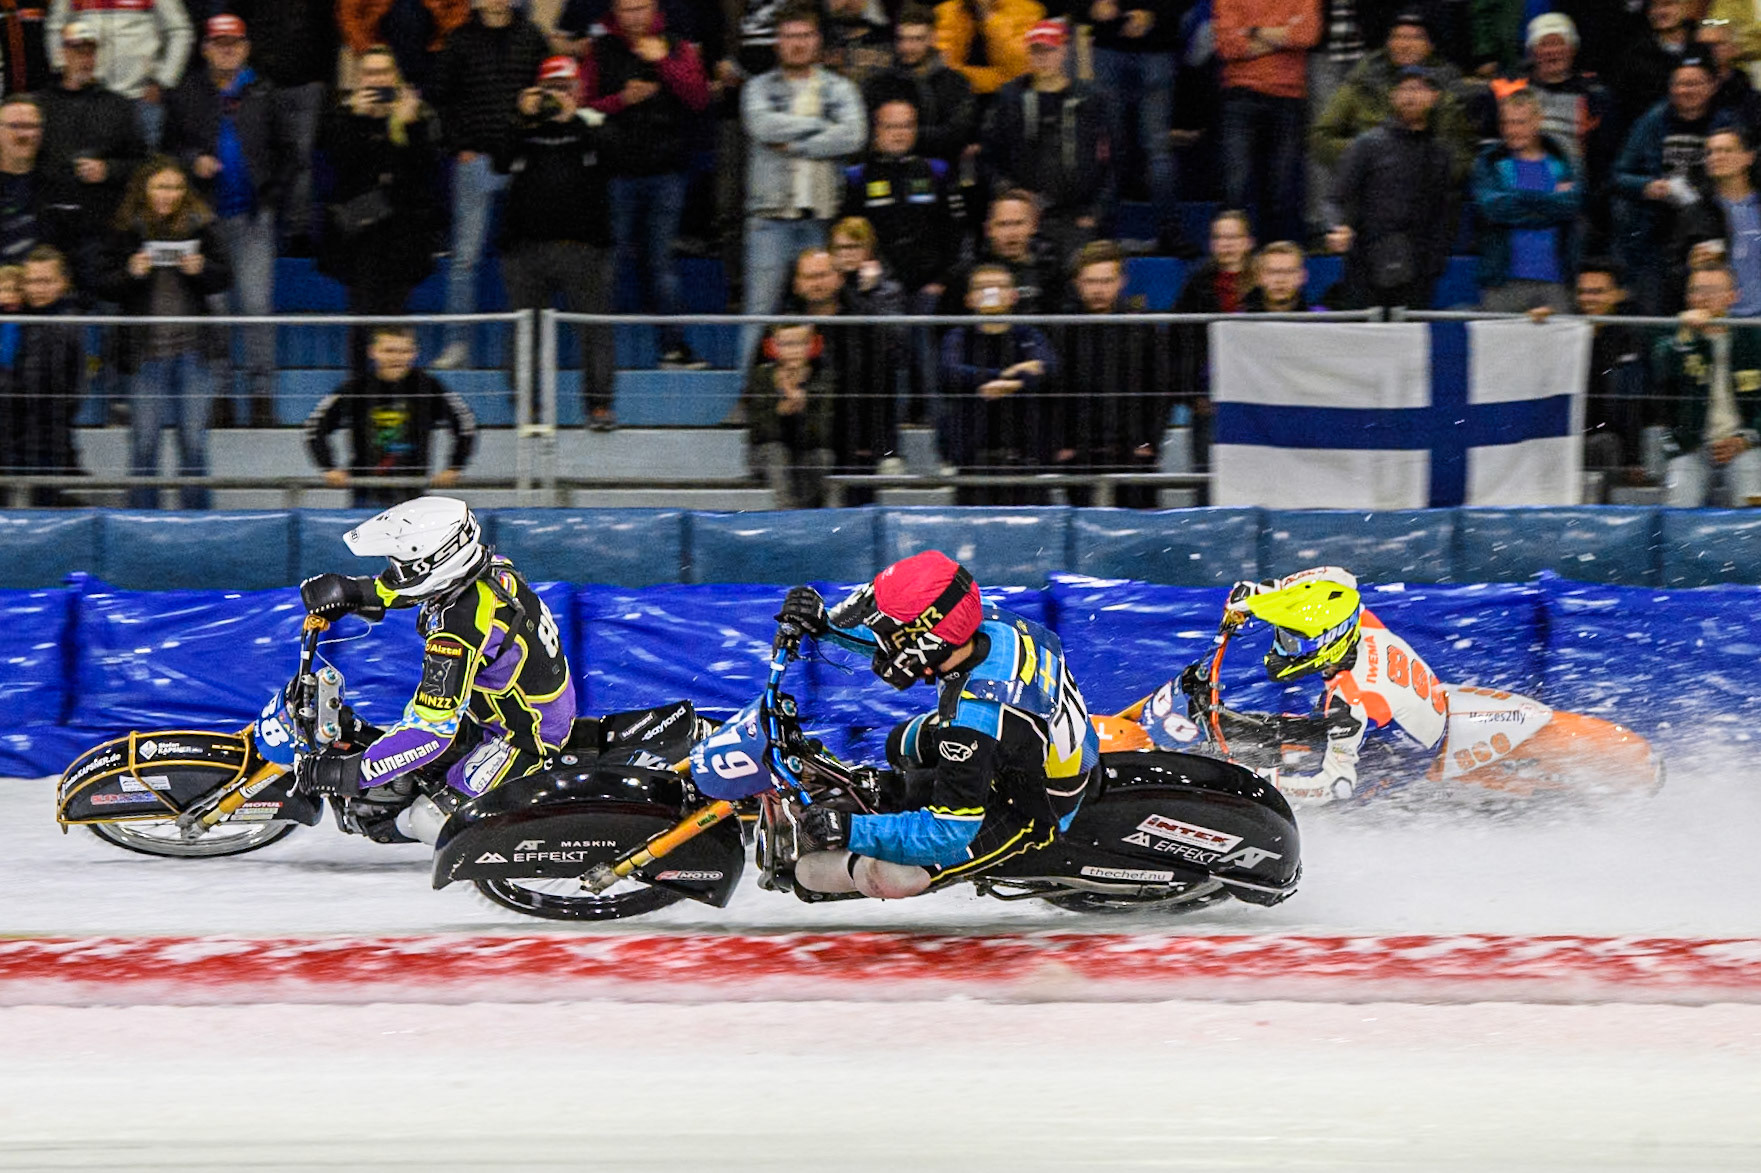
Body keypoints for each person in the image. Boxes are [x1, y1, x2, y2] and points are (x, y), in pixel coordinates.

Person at [775, 549, 1099, 900]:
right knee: (900, 744)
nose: (886, 641)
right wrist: (825, 624)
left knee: (889, 874)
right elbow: (904, 641)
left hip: (1033, 805)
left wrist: (849, 830)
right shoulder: (987, 621)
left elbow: (949, 831)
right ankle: (894, 804)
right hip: (1035, 745)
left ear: (928, 641)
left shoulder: (973, 716)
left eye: (892, 633)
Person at [294, 496, 577, 843]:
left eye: (403, 564)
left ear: (436, 563)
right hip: (508, 707)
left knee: (426, 819)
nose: (395, 571)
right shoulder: (489, 567)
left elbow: (429, 732)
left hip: (522, 736)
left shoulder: (458, 632)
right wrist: (355, 590)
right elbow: (417, 585)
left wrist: (353, 773)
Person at [1187, 566, 1448, 805]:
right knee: (1274, 733)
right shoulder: (1351, 611)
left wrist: (1254, 782)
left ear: (1328, 645)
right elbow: (1337, 576)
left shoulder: (1350, 702)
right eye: (1283, 634)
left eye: (1292, 642)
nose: (1280, 649)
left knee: (1285, 761)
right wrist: (1259, 594)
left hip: (1399, 756)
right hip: (1402, 714)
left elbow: (1334, 787)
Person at [162, 14, 291, 427]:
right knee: (214, 312)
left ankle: (261, 396)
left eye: (234, 42)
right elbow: (166, 151)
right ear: (205, 49)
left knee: (255, 309)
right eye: (219, 43)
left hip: (253, 220)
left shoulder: (264, 92)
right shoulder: (186, 94)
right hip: (205, 223)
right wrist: (190, 161)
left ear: (246, 47)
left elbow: (290, 153)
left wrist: (272, 194)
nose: (227, 49)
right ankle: (219, 394)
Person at [581, 0, 713, 371]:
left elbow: (699, 98)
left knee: (662, 264)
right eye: (626, 10)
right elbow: (582, 110)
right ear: (615, 12)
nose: (634, 17)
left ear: (654, 8)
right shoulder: (599, 49)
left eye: (640, 8)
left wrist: (663, 63)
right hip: (615, 174)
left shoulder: (677, 46)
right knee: (609, 264)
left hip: (666, 174)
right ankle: (596, 353)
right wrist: (622, 100)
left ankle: (673, 348)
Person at [100, 156, 231, 510]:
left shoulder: (202, 226)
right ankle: (140, 519)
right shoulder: (126, 228)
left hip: (194, 352)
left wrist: (202, 269)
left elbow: (225, 276)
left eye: (175, 187)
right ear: (145, 189)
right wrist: (130, 271)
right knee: (144, 442)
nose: (168, 194)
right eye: (160, 186)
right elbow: (103, 284)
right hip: (145, 355)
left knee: (194, 442)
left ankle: (199, 520)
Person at [740, 2, 866, 367]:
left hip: (819, 218)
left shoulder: (839, 88)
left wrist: (797, 144)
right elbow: (762, 126)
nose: (797, 43)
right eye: (789, 36)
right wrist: (821, 126)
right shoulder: (758, 88)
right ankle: (748, 399)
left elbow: (855, 135)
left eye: (805, 35)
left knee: (820, 310)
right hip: (769, 218)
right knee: (759, 312)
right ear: (777, 42)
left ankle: (817, 393)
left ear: (817, 40)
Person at [428, 0, 548, 369]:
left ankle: (530, 348)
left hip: (525, 160)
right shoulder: (459, 40)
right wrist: (458, 145)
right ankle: (457, 343)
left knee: (530, 259)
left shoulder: (532, 37)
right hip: (475, 159)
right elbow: (440, 97)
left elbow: (547, 92)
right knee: (465, 258)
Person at [498, 56, 617, 428]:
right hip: (524, 250)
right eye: (552, 89)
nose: (558, 96)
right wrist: (522, 117)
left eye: (566, 88)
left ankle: (599, 406)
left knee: (594, 328)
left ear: (579, 90)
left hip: (584, 248)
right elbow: (499, 160)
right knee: (524, 333)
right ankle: (528, 409)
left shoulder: (593, 123)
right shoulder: (524, 128)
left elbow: (615, 156)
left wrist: (574, 120)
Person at [315, 45, 446, 377]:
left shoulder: (417, 115)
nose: (377, 79)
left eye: (383, 72)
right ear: (360, 78)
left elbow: (423, 175)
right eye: (370, 73)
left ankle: (393, 395)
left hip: (402, 239)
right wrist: (358, 121)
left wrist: (410, 126)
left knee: (394, 324)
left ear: (395, 75)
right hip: (359, 241)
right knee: (362, 324)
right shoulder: (343, 116)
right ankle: (361, 399)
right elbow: (341, 169)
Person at [980, 18, 1115, 259]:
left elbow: (1113, 160)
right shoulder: (1010, 97)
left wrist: (1095, 213)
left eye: (1049, 50)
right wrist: (1011, 195)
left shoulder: (1091, 98)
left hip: (1076, 215)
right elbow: (990, 155)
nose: (1043, 58)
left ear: (1063, 51)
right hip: (1022, 216)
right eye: (1036, 51)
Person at [1053, 238, 1174, 506]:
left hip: (1133, 449)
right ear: (1077, 283)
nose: (1099, 289)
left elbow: (1161, 387)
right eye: (1091, 281)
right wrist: (1061, 443)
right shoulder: (1061, 328)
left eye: (1106, 281)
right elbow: (1055, 392)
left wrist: (1149, 441)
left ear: (1121, 282)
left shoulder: (1143, 327)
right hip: (1080, 451)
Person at [1325, 64, 1456, 309]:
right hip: (1366, 267)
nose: (1410, 95)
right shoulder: (1367, 145)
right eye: (1403, 88)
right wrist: (1336, 227)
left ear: (1434, 97)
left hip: (1419, 272)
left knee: (1410, 343)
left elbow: (1444, 214)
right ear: (1392, 96)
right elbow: (1335, 198)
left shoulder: (1441, 153)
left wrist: (1435, 263)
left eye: (1418, 88)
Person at [303, 325, 477, 508]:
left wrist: (455, 466)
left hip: (414, 493)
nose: (396, 358)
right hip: (366, 492)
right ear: (373, 352)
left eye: (404, 351)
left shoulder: (429, 386)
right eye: (389, 351)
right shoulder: (356, 387)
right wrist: (328, 467)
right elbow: (315, 427)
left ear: (414, 353)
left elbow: (465, 425)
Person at [221, 0, 338, 253]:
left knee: (301, 161)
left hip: (307, 83)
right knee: (256, 157)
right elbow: (236, 21)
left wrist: (326, 82)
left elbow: (330, 32)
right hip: (261, 83)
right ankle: (261, 223)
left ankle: (297, 231)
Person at [936, 262, 1058, 502]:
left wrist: (1012, 384)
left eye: (1000, 286)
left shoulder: (1029, 334)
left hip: (1025, 457)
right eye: (983, 287)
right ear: (969, 299)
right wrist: (1009, 377)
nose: (992, 293)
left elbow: (1049, 369)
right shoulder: (958, 336)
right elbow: (949, 373)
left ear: (1014, 295)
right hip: (972, 459)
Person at [1613, 56, 1720, 312]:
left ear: (1711, 86)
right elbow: (1618, 175)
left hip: (1707, 235)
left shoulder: (1724, 121)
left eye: (1694, 84)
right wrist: (1646, 185)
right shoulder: (1653, 120)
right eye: (1680, 84)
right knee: (1656, 317)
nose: (1686, 91)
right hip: (1656, 237)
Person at [1650, 264, 1761, 506]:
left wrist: (1747, 439)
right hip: (1691, 447)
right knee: (1679, 504)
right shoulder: (1675, 336)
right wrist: (1686, 335)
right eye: (1697, 290)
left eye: (1712, 290)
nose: (1703, 298)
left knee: (1753, 497)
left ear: (1733, 296)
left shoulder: (1754, 337)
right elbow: (1661, 372)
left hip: (1745, 446)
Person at [1212, 0, 1320, 244]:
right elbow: (1228, 47)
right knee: (1233, 189)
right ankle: (1229, 266)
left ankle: (1272, 267)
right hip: (1240, 94)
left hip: (1288, 97)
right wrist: (1282, 37)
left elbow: (1307, 34)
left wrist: (1253, 31)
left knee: (1280, 191)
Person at [38, 20, 148, 249]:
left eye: (90, 52)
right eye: (78, 51)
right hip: (48, 221)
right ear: (62, 54)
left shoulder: (119, 105)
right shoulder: (40, 104)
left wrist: (108, 170)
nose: (85, 59)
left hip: (101, 223)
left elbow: (144, 164)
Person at [1471, 89, 1581, 313]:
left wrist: (1518, 200)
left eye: (1520, 122)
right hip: (1502, 280)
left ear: (1538, 121)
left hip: (1556, 281)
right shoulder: (1490, 161)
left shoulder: (1563, 160)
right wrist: (1548, 205)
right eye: (1506, 123)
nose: (1512, 130)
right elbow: (1494, 209)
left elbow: (1570, 207)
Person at [0, 245, 84, 506]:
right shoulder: (16, 319)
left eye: (45, 281)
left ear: (62, 283)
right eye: (31, 281)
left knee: (47, 513)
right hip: (10, 436)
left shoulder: (66, 325)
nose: (37, 289)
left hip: (46, 440)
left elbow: (70, 392)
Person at [46, 0, 193, 148]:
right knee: (85, 163)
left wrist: (163, 81)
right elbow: (55, 28)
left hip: (140, 97)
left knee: (142, 166)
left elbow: (180, 31)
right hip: (88, 96)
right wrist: (65, 73)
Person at [862, 4, 977, 167]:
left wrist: (899, 134)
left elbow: (957, 135)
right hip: (888, 172)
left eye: (917, 39)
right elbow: (870, 135)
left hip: (943, 174)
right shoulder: (878, 84)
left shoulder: (956, 82)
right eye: (902, 39)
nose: (908, 47)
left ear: (933, 38)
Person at [742, 320, 835, 507]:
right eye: (786, 344)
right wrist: (780, 412)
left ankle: (813, 513)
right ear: (773, 346)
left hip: (805, 451)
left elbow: (823, 435)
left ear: (812, 345)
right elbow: (757, 432)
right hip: (766, 453)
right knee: (776, 452)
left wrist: (801, 411)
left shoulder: (823, 378)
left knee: (823, 457)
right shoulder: (761, 376)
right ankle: (788, 514)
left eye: (800, 343)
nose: (793, 350)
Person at [337, 0, 470, 94]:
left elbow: (459, 11)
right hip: (380, 47)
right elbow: (349, 16)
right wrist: (369, 50)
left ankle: (416, 94)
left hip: (432, 46)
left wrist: (445, 41)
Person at [933, 0, 1046, 98]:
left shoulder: (1028, 10)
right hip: (958, 96)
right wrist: (997, 78)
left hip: (1011, 97)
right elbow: (944, 71)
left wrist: (990, 18)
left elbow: (1021, 69)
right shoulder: (945, 11)